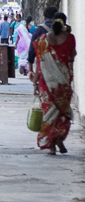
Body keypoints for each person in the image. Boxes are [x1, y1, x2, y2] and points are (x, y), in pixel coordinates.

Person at [30, 12, 77, 155]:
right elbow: (72, 56)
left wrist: (35, 83)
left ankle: (51, 146)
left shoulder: (43, 40)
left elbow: (39, 64)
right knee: (63, 113)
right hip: (63, 83)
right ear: (65, 22)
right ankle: (59, 139)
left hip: (46, 83)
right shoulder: (70, 38)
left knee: (48, 113)